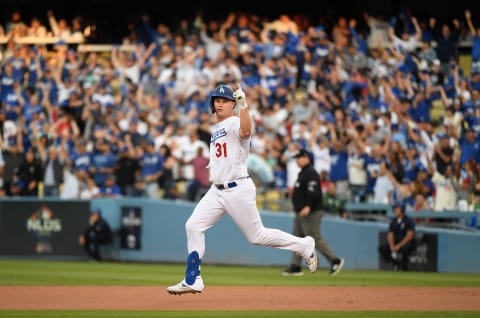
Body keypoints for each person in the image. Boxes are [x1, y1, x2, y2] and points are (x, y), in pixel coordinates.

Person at [166, 84, 318, 295]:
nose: (219, 104)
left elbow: (246, 131)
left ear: (233, 104)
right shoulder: (216, 128)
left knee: (257, 236)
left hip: (237, 188)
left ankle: (304, 245)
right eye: (217, 100)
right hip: (217, 191)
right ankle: (193, 279)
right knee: (193, 226)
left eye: (224, 100)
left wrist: (243, 105)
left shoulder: (234, 121)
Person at [282, 149, 345, 277]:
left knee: (313, 238)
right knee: (296, 238)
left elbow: (313, 192)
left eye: (299, 157)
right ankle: (295, 266)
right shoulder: (304, 173)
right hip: (301, 212)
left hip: (310, 212)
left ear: (306, 158)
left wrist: (308, 206)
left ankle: (335, 260)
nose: (297, 160)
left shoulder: (311, 172)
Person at [378, 202, 416, 271]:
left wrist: (399, 245)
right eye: (394, 208)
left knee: (404, 249)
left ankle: (404, 268)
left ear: (402, 209)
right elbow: (390, 234)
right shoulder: (393, 221)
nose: (395, 210)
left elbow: (409, 236)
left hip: (407, 243)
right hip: (396, 242)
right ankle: (395, 263)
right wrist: (392, 245)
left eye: (397, 208)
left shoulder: (408, 220)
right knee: (382, 248)